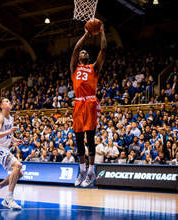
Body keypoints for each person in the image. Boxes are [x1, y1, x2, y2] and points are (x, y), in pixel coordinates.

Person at [71, 20, 107, 187]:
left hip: (90, 101)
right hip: (78, 104)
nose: (83, 52)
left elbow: (104, 49)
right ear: (79, 58)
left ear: (89, 57)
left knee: (90, 137)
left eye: (86, 52)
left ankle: (91, 170)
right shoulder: (74, 68)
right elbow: (76, 48)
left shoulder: (94, 68)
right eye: (82, 52)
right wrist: (86, 33)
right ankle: (82, 170)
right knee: (79, 138)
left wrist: (101, 32)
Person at [0, 97, 24, 210]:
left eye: (9, 101)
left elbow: (9, 135)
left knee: (19, 173)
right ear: (2, 106)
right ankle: (9, 198)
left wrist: (15, 140)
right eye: (6, 101)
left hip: (4, 148)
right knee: (17, 165)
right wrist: (9, 131)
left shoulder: (11, 118)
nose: (9, 102)